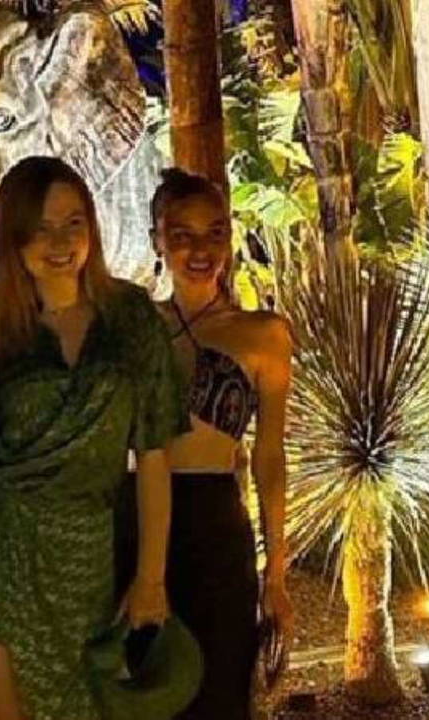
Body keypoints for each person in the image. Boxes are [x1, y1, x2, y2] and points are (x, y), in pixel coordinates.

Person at [0, 156, 190, 720]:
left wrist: (151, 576)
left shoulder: (130, 319)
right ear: (13, 235)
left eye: (74, 223)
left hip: (87, 551)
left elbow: (153, 454)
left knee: (84, 705)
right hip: (2, 542)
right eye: (42, 228)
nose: (60, 242)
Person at [118, 168, 294, 719]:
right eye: (182, 235)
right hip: (133, 517)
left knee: (219, 687)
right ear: (157, 240)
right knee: (138, 689)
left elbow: (269, 458)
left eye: (215, 232)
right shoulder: (132, 324)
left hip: (215, 522)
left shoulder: (263, 334)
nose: (200, 250)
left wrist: (277, 573)